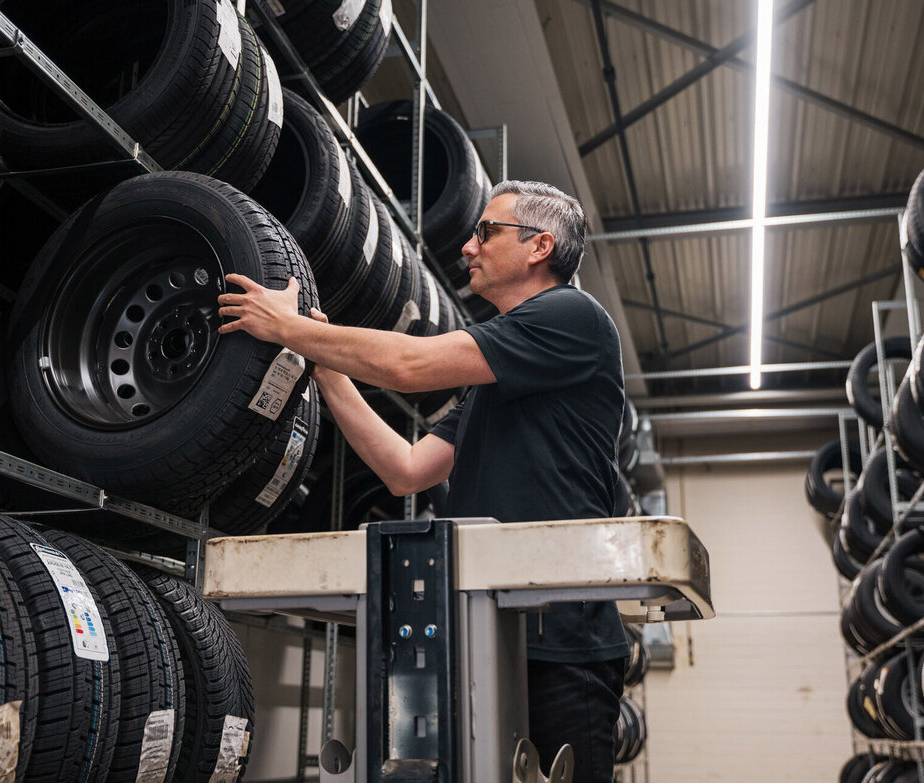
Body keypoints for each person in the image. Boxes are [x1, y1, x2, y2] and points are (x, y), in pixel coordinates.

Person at [217, 180, 630, 783]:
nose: (468, 246)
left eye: (487, 231)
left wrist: (288, 329)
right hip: (486, 631)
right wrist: (324, 364)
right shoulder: (499, 377)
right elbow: (405, 469)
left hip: (563, 642)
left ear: (541, 246)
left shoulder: (571, 317)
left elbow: (409, 366)